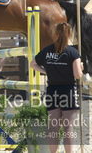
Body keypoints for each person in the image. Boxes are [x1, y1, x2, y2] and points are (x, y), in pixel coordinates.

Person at [30, 22, 83, 153]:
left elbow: (33, 64)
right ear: (69, 34)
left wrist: (46, 71)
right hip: (68, 91)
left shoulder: (47, 50)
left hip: (52, 91)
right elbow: (77, 75)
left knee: (53, 127)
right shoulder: (72, 52)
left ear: (56, 34)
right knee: (68, 128)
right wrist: (81, 68)